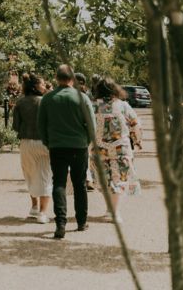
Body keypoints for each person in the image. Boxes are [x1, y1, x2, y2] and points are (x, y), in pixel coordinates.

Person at [37, 64, 95, 239]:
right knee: (79, 184)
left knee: (59, 183)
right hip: (78, 146)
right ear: (72, 78)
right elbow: (91, 125)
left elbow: (41, 126)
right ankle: (81, 221)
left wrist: (48, 143)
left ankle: (60, 223)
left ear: (56, 78)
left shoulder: (47, 99)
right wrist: (87, 141)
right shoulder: (82, 98)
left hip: (57, 146)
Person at [92, 77, 142, 223]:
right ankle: (114, 212)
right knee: (119, 179)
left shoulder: (92, 105)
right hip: (121, 148)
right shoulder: (122, 105)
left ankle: (110, 209)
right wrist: (137, 140)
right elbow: (135, 124)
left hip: (99, 149)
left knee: (104, 180)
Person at [12, 73, 52, 224]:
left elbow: (16, 126)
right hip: (44, 142)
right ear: (35, 86)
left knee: (30, 175)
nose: (44, 85)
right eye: (42, 84)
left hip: (26, 143)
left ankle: (34, 207)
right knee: (45, 176)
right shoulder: (46, 102)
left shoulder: (20, 103)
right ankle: (43, 213)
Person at [74, 72, 96, 191]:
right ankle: (88, 179)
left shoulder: (86, 95)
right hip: (85, 131)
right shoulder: (89, 94)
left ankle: (87, 179)